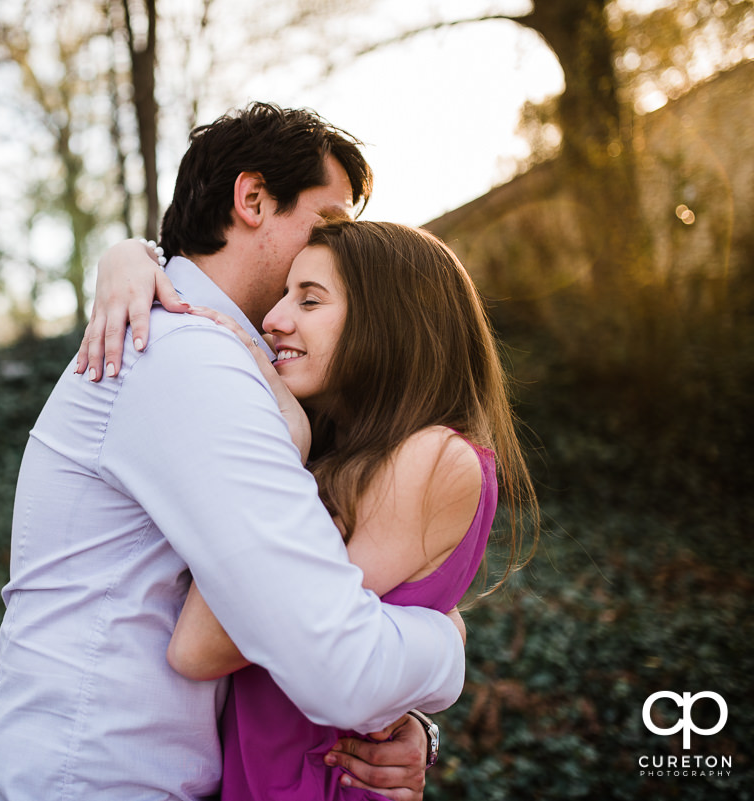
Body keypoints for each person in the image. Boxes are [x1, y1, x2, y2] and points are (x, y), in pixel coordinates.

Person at [0, 103, 467, 801]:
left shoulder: (235, 361)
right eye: (329, 225)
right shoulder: (186, 357)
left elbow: (288, 621)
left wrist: (405, 723)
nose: (342, 250)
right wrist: (446, 645)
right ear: (254, 199)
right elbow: (336, 665)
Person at [151, 217, 539, 799]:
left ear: (392, 321)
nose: (274, 319)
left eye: (309, 300)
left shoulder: (434, 457)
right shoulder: (354, 460)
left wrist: (277, 435)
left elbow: (200, 647)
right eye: (284, 296)